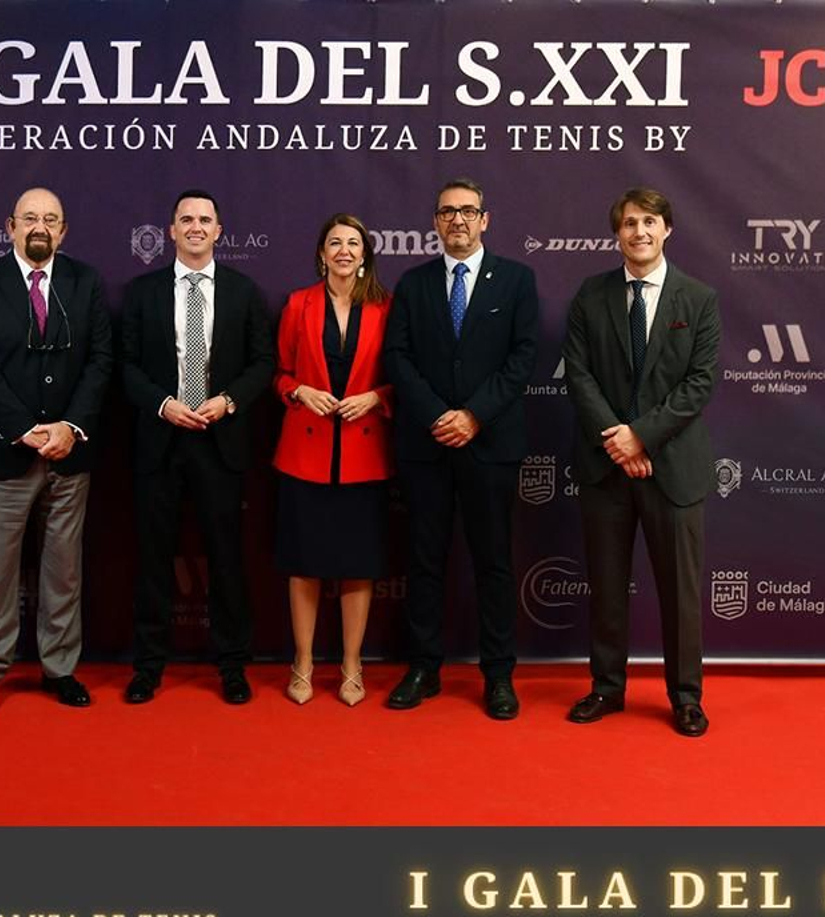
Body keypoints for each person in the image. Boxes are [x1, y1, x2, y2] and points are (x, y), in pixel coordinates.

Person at [561, 187, 721, 737]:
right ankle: (606, 688)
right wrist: (619, 442)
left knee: (681, 593)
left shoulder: (698, 300)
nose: (639, 232)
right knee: (606, 586)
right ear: (617, 233)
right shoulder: (590, 295)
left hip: (673, 470)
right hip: (606, 468)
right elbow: (578, 376)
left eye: (649, 222)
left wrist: (642, 439)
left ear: (667, 229)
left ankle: (686, 697)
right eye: (629, 223)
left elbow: (698, 384)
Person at [382, 178, 538, 721]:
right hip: (426, 446)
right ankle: (423, 667)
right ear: (435, 222)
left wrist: (474, 415)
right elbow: (397, 358)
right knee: (424, 562)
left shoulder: (517, 279)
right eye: (447, 212)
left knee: (493, 564)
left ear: (485, 220)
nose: (458, 221)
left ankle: (498, 676)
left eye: (468, 211)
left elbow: (523, 358)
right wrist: (436, 416)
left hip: (489, 444)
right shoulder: (413, 282)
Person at [0, 187, 113, 715]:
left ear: (63, 230)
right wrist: (24, 427)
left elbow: (100, 362)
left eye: (50, 219)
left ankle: (60, 667)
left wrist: (68, 426)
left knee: (63, 569)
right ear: (10, 227)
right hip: (5, 453)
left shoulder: (86, 283)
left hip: (70, 453)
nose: (39, 226)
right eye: (30, 218)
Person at [120, 189, 274, 705]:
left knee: (227, 559)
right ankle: (147, 666)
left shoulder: (243, 291)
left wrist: (228, 401)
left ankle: (232, 665)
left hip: (219, 442)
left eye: (205, 219)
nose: (195, 227)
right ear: (171, 230)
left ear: (218, 230)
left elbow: (262, 364)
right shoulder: (141, 293)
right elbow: (125, 368)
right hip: (160, 442)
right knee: (152, 560)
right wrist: (163, 404)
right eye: (185, 218)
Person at [271, 214, 394, 706]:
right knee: (304, 563)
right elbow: (278, 372)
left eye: (353, 243)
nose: (344, 250)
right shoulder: (297, 304)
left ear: (365, 254)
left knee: (357, 564)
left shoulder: (386, 308)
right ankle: (302, 662)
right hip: (306, 449)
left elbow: (400, 374)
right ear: (321, 253)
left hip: (364, 451)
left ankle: (351, 664)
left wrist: (378, 397)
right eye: (334, 243)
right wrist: (299, 389)